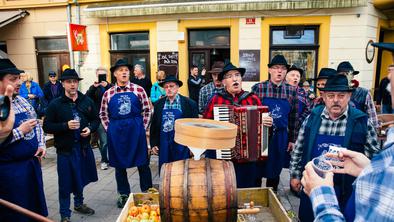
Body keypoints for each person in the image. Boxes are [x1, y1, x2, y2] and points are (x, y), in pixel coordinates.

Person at [289, 74, 380, 222]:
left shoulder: (362, 121)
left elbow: (374, 157)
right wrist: (295, 175)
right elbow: (298, 149)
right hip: (313, 187)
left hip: (346, 190)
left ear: (349, 96)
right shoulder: (312, 118)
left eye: (341, 95)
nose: (336, 100)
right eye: (331, 95)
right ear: (323, 96)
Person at [203, 62, 273, 188]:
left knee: (247, 190)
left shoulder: (253, 99)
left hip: (248, 158)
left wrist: (268, 124)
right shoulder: (215, 100)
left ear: (241, 79)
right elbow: (206, 127)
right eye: (229, 76)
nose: (234, 78)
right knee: (224, 190)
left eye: (237, 75)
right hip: (223, 157)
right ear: (224, 82)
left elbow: (265, 131)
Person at [43, 68, 98, 222]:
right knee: (65, 183)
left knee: (80, 178)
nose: (72, 85)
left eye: (75, 81)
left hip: (83, 149)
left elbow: (95, 119)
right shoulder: (55, 104)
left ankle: (79, 204)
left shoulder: (86, 101)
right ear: (62, 84)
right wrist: (65, 126)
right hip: (65, 151)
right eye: (69, 82)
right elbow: (46, 126)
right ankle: (64, 214)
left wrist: (90, 129)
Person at [100, 59, 153, 208]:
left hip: (136, 130)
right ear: (115, 74)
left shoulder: (139, 90)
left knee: (142, 162)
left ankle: (147, 191)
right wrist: (109, 130)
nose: (124, 72)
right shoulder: (108, 93)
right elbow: (103, 114)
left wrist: (142, 127)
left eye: (126, 70)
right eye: (120, 70)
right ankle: (123, 194)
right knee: (119, 165)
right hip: (116, 132)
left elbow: (147, 109)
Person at [0, 58, 48, 221]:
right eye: (13, 79)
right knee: (16, 215)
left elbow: (37, 124)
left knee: (35, 210)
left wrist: (41, 144)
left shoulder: (22, 100)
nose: (19, 82)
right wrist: (20, 131)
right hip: (10, 173)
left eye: (19, 78)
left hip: (31, 166)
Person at [251, 55, 299, 191]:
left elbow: (294, 118)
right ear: (269, 70)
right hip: (261, 136)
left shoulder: (291, 91)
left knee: (275, 168)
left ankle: (272, 195)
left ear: (286, 72)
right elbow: (251, 112)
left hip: (281, 136)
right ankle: (256, 193)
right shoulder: (258, 88)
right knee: (257, 167)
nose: (279, 71)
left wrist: (292, 140)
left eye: (283, 69)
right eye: (276, 68)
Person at [150, 75, 198, 171]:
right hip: (164, 145)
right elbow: (154, 125)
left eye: (171, 86)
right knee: (165, 170)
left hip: (182, 145)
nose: (168, 89)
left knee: (181, 171)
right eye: (166, 87)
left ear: (177, 87)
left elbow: (195, 128)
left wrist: (193, 147)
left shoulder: (189, 104)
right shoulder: (159, 104)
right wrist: (154, 143)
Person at [337, 61, 379, 129]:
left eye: (348, 74)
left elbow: (373, 120)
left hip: (358, 131)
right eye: (342, 75)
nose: (346, 77)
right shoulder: (333, 93)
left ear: (353, 76)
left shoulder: (364, 93)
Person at [86, 67, 112, 170]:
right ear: (96, 75)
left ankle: (114, 159)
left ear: (107, 76)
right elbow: (86, 98)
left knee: (113, 140)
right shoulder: (94, 87)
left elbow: (114, 96)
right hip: (100, 117)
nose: (101, 77)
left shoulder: (111, 87)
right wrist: (93, 87)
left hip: (112, 117)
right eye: (99, 75)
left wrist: (107, 86)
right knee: (104, 141)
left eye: (103, 75)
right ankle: (104, 160)